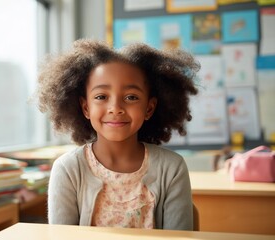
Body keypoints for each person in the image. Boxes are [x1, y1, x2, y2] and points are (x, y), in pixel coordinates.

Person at [35, 39, 200, 230]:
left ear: (149, 108)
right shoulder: (68, 169)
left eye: (131, 97)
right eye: (101, 97)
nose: (116, 108)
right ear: (86, 107)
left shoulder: (172, 168)